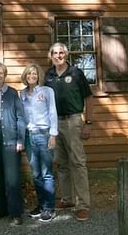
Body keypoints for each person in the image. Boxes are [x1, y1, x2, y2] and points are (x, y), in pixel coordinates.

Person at [44, 43, 95, 221]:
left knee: (78, 163)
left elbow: (89, 98)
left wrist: (88, 122)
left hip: (73, 121)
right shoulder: (48, 75)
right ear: (50, 55)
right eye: (55, 53)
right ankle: (67, 199)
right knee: (61, 162)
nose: (58, 56)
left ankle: (83, 205)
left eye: (61, 53)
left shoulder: (76, 73)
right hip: (55, 123)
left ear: (66, 55)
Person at [0, 62, 27, 226]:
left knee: (13, 177)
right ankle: (1, 209)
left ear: (5, 74)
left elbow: (21, 118)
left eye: (0, 72)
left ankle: (15, 212)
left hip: (10, 136)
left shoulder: (12, 93)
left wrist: (20, 140)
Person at [20, 63, 58, 223]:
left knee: (46, 173)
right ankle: (41, 205)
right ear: (25, 77)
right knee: (36, 174)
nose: (31, 77)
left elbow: (52, 112)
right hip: (30, 136)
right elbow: (21, 117)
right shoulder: (22, 94)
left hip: (44, 134)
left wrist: (53, 134)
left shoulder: (47, 91)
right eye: (29, 74)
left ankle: (49, 208)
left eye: (34, 74)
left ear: (39, 76)